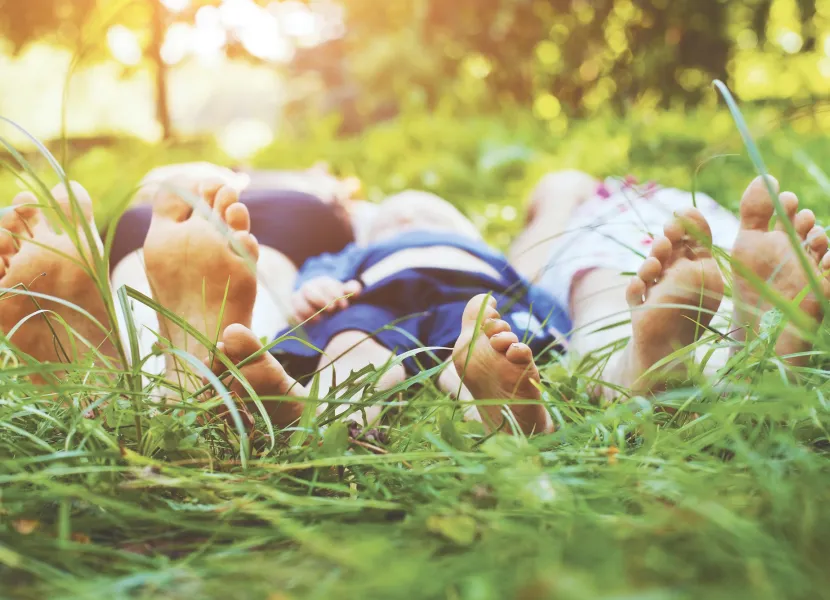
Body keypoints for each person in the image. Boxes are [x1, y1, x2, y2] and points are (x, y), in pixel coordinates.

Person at [1, 169, 827, 436]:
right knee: (358, 351)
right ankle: (266, 392)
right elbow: (318, 275)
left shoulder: (481, 256)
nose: (407, 210)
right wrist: (322, 285)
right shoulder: (348, 247)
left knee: (483, 349)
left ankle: (630, 363)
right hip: (391, 305)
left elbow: (522, 274)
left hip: (479, 303)